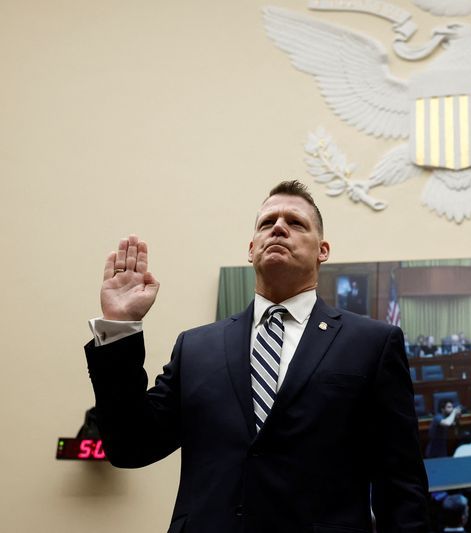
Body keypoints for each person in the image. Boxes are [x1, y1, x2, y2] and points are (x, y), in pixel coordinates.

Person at [83, 181, 429, 532]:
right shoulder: (196, 348)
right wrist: (119, 327)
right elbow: (131, 446)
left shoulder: (371, 343)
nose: (278, 227)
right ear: (251, 250)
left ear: (322, 250)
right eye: (267, 223)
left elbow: (401, 484)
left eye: (295, 222)